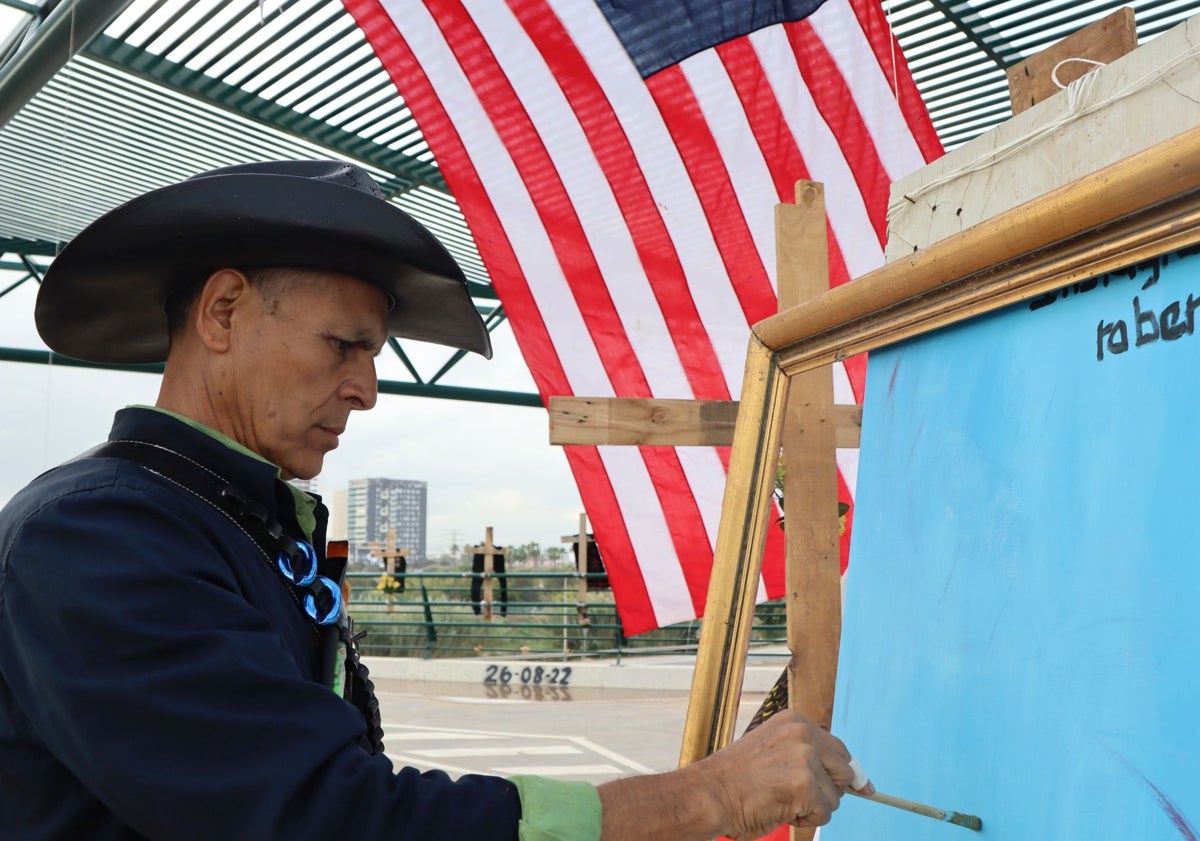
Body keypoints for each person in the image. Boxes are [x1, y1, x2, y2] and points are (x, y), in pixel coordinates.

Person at [0, 160, 870, 841]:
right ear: (223, 312)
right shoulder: (96, 534)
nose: (367, 390)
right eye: (344, 345)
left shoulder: (233, 520)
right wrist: (708, 793)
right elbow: (330, 820)